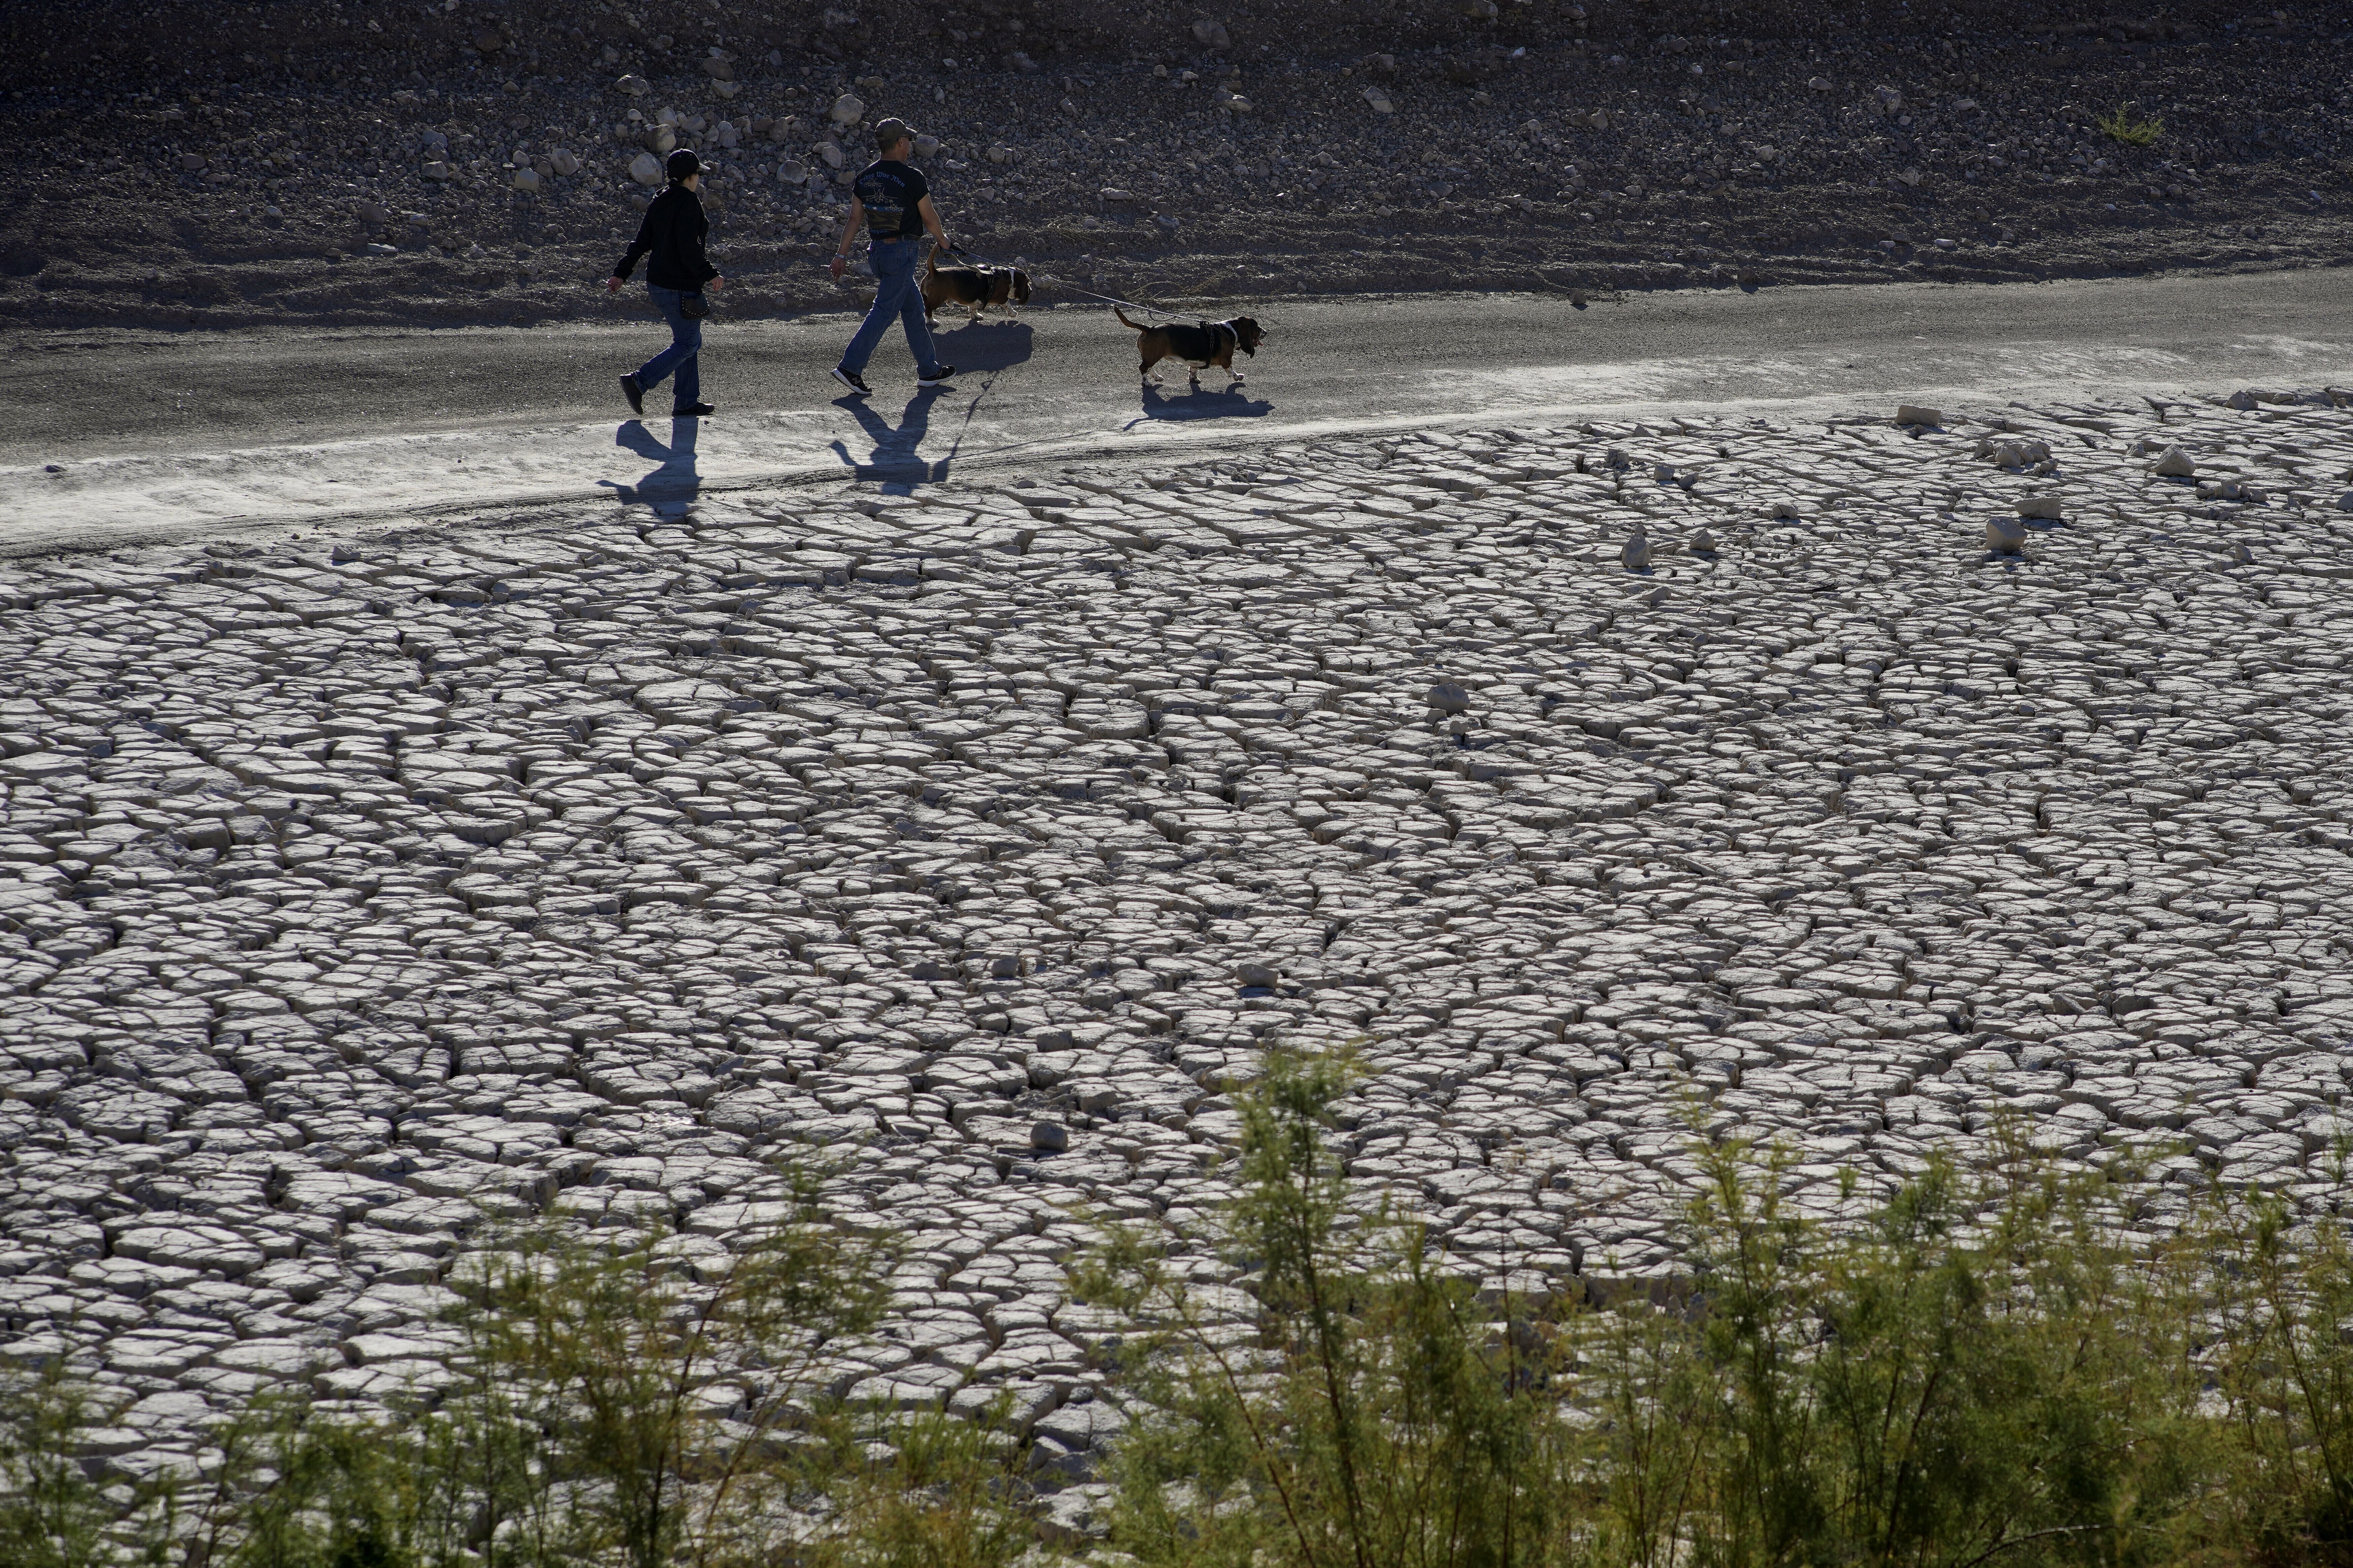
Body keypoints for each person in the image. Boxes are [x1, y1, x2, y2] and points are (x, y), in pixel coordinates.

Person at [828, 117, 956, 397]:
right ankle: (851, 368)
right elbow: (929, 217)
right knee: (884, 311)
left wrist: (841, 255)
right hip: (902, 253)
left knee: (912, 309)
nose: (910, 144)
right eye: (908, 139)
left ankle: (929, 370)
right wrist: (944, 241)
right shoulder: (912, 177)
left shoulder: (864, 177)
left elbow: (854, 219)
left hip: (878, 253)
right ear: (900, 143)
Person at [607, 148, 721, 418]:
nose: (699, 181)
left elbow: (641, 242)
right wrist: (711, 273)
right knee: (687, 343)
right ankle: (639, 381)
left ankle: (686, 401)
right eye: (698, 175)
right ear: (691, 177)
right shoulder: (690, 203)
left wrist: (621, 274)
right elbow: (690, 251)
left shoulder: (660, 199)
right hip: (679, 286)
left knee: (690, 340)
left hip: (658, 284)